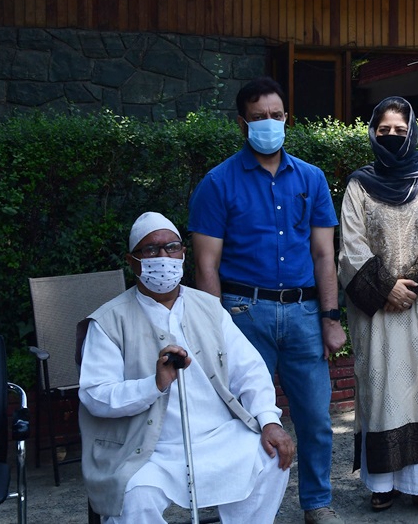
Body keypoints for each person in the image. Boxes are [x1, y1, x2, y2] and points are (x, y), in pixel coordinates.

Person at [189, 77, 347, 524]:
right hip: (243, 313)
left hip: (302, 313)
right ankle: (241, 504)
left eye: (276, 116)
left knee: (315, 418)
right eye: (259, 118)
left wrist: (331, 318)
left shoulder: (311, 179)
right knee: (240, 418)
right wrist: (215, 330)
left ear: (286, 119)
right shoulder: (217, 183)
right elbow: (206, 265)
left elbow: (323, 254)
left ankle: (316, 503)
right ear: (242, 124)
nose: (269, 124)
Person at [79, 211, 295, 523]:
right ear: (132, 261)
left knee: (270, 458)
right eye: (151, 250)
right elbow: (95, 396)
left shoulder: (209, 308)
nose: (163, 257)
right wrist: (153, 384)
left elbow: (249, 371)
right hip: (148, 450)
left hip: (218, 436)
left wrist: (268, 421)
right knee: (134, 496)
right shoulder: (109, 321)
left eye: (172, 247)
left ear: (183, 254)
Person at [338, 97, 418, 518]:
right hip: (377, 314)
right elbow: (350, 247)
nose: (391, 137)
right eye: (383, 130)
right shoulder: (358, 184)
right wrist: (385, 290)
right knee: (381, 388)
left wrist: (407, 286)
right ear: (372, 132)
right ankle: (383, 482)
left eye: (400, 131)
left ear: (413, 134)